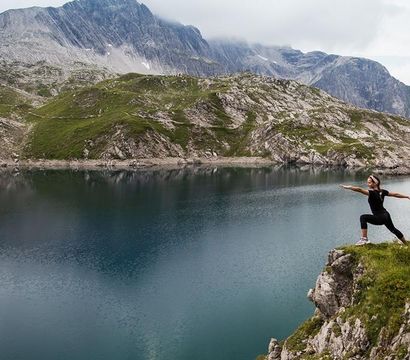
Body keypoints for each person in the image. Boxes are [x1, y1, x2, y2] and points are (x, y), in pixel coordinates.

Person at [340, 174, 409, 246]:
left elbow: (359, 189)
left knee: (363, 217)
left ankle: (364, 239)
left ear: (375, 183)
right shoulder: (382, 191)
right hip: (386, 215)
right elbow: (395, 194)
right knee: (393, 229)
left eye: (369, 182)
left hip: (379, 217)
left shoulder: (371, 193)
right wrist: (407, 196)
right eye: (368, 182)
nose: (368, 184)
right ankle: (407, 244)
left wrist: (348, 187)